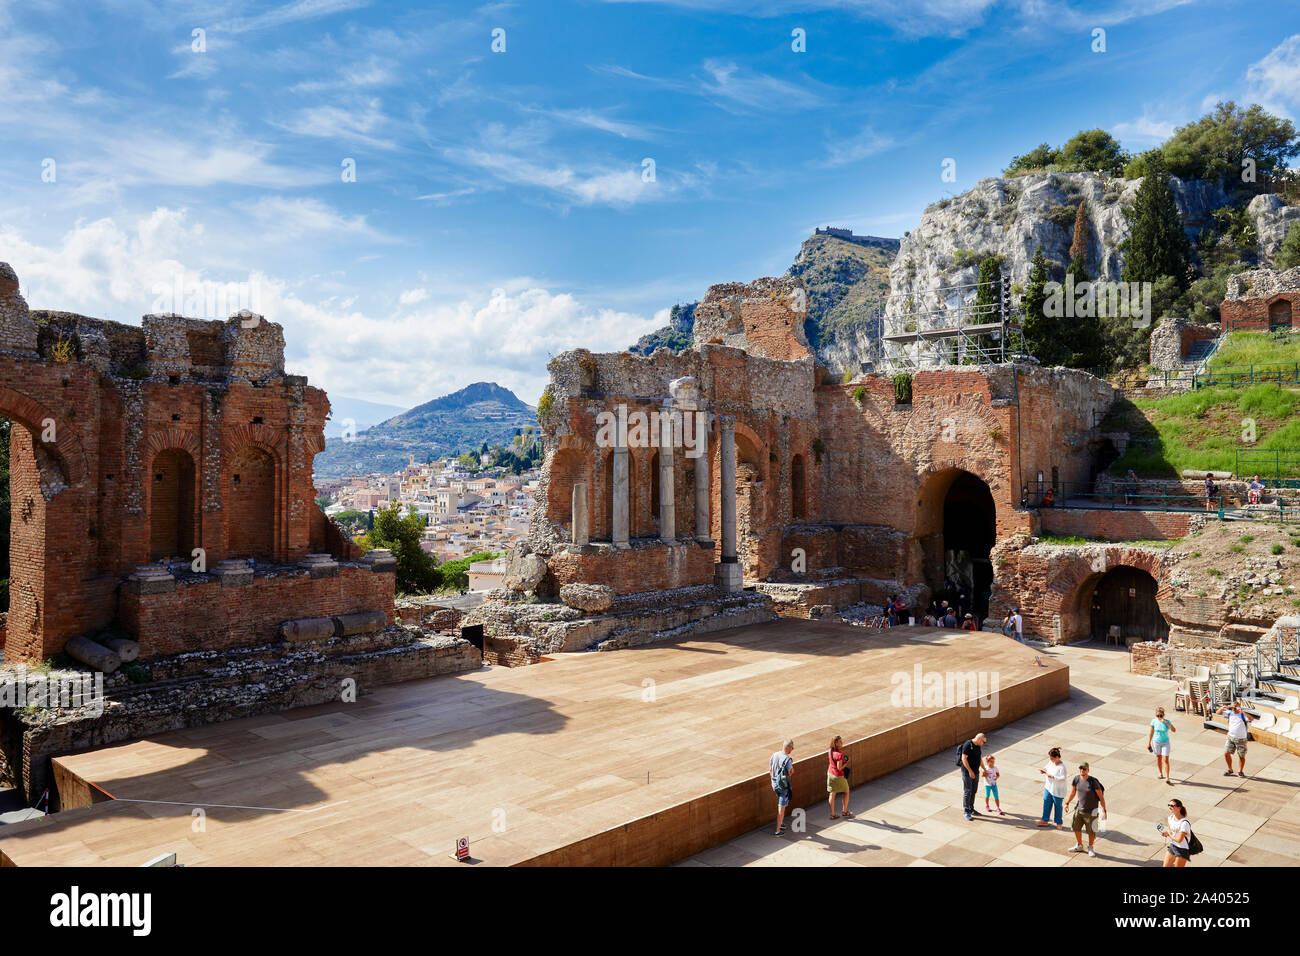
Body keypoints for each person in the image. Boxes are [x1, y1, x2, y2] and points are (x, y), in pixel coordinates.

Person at [1063, 761, 1107, 857]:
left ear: (1088, 770)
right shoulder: (1076, 779)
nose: (1082, 770)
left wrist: (1104, 810)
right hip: (1079, 810)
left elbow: (1101, 797)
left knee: (1091, 831)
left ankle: (1090, 847)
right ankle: (1079, 845)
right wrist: (1067, 803)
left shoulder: (1093, 782)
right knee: (1075, 827)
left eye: (1084, 769)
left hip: (1092, 812)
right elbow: (1073, 792)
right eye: (1081, 768)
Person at [1216, 699, 1253, 777]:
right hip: (1230, 737)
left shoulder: (1242, 715)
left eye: (1235, 707)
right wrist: (1222, 708)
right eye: (1233, 708)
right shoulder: (1230, 713)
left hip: (1241, 739)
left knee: (1241, 756)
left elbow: (1251, 719)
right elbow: (1218, 713)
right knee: (1226, 753)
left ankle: (1240, 771)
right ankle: (1230, 769)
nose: (1234, 709)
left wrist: (1242, 711)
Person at [958, 733, 986, 821]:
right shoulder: (968, 745)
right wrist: (970, 771)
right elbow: (964, 759)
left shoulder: (978, 746)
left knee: (974, 790)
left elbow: (979, 758)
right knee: (968, 790)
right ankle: (966, 811)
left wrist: (984, 768)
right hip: (967, 772)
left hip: (976, 771)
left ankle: (971, 808)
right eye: (983, 742)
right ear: (979, 739)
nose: (983, 744)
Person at [1037, 747, 1067, 829]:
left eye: (1052, 758)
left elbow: (1063, 778)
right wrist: (1044, 770)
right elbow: (1046, 767)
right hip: (1048, 787)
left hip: (1057, 790)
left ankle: (1059, 822)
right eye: (1050, 758)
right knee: (1046, 803)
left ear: (1057, 757)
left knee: (1058, 806)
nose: (1050, 760)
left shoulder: (1062, 767)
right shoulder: (1051, 762)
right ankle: (1045, 820)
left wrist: (1053, 777)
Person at [770, 739, 795, 835]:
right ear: (788, 747)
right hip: (783, 786)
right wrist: (792, 770)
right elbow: (790, 772)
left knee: (783, 804)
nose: (792, 749)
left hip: (774, 784)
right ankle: (777, 830)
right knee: (782, 808)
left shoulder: (774, 755)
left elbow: (770, 769)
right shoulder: (787, 759)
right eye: (792, 747)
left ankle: (781, 823)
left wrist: (774, 780)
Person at [826, 735, 852, 820]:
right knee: (846, 791)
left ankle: (832, 814)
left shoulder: (829, 751)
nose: (842, 743)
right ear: (836, 743)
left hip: (830, 774)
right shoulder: (839, 755)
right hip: (838, 776)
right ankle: (844, 812)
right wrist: (846, 763)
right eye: (840, 741)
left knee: (832, 794)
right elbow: (839, 768)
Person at [1147, 707, 1176, 782]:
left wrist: (1165, 722)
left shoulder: (1167, 722)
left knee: (1166, 759)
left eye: (1161, 715)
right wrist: (1149, 743)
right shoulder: (1154, 721)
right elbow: (1151, 733)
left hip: (1165, 742)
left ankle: (1167, 777)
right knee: (1158, 758)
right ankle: (1160, 773)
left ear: (1163, 715)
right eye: (1158, 716)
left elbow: (1174, 730)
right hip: (1156, 742)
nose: (1159, 717)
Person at [1160, 798, 1192, 867]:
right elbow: (1170, 830)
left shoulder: (1184, 823)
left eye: (1172, 805)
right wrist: (1166, 833)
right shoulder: (1171, 818)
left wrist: (1170, 835)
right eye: (1169, 805)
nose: (1169, 807)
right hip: (1172, 846)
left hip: (1182, 850)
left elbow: (1179, 840)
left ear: (1179, 808)